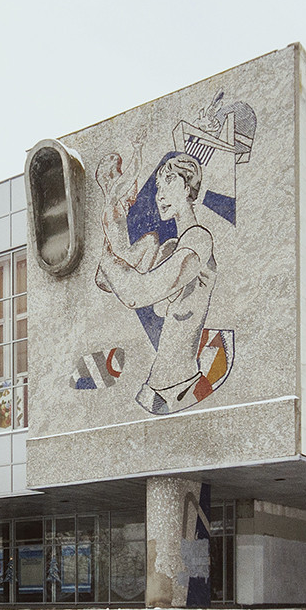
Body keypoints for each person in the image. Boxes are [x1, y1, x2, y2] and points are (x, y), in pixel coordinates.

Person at [96, 152, 217, 414]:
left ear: (187, 188)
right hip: (153, 392)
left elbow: (134, 294)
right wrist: (112, 206)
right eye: (158, 186)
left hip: (182, 390)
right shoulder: (169, 248)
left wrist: (107, 259)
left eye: (170, 181)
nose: (159, 194)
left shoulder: (198, 242)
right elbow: (105, 281)